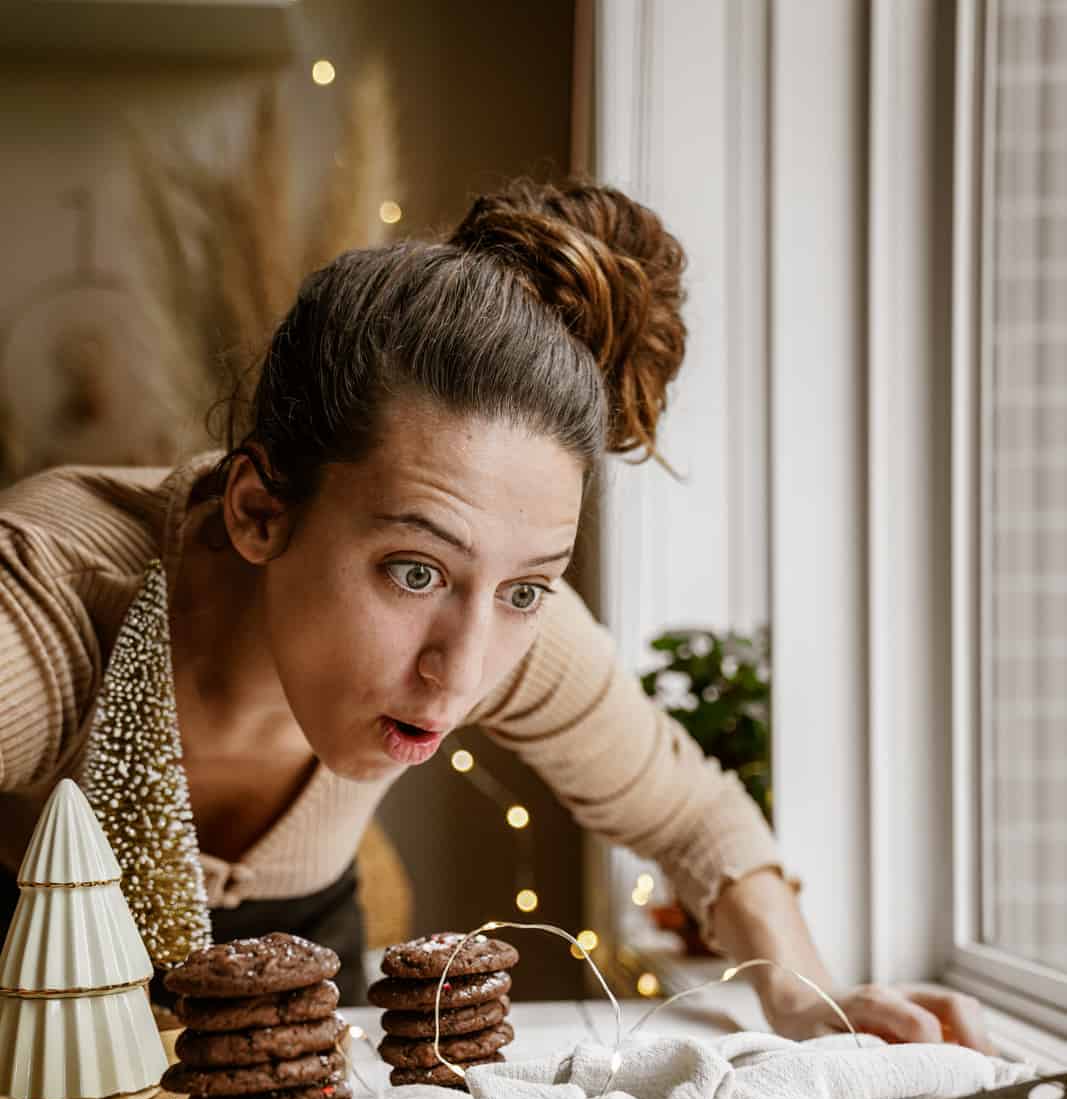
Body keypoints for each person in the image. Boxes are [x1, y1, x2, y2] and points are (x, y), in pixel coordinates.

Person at [0, 176, 992, 1048]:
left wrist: (807, 999)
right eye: (414, 573)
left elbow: (694, 814)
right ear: (259, 510)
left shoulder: (512, 637)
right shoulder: (52, 596)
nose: (462, 672)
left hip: (296, 1016)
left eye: (523, 589)